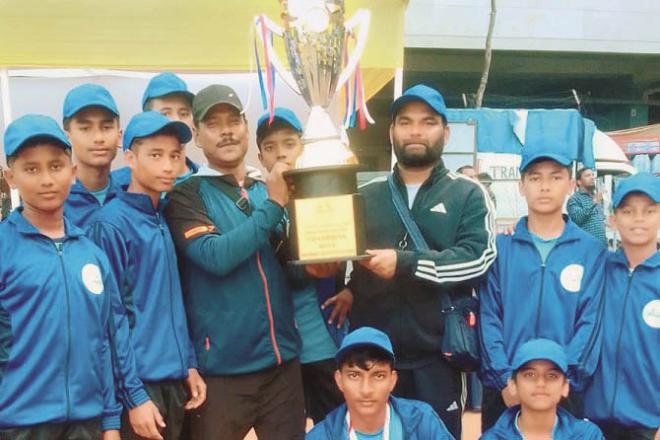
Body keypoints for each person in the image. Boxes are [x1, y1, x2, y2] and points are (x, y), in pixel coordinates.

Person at [345, 84, 496, 439]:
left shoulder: (468, 193)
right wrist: (351, 291)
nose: (415, 130)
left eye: (427, 122)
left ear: (445, 132)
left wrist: (406, 263)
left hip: (438, 357)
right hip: (375, 359)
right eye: (405, 122)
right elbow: (355, 261)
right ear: (391, 131)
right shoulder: (366, 196)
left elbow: (478, 259)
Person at [164, 85, 304, 440]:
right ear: (196, 135)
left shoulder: (266, 186)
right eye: (213, 124)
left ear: (245, 127)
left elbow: (292, 262)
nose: (225, 130)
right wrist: (273, 206)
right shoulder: (185, 195)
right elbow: (215, 256)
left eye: (233, 120)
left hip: (282, 364)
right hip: (222, 371)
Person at [0, 114, 138, 439]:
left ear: (72, 172)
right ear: (11, 177)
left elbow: (104, 343)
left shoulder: (91, 254)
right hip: (19, 424)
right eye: (31, 169)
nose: (47, 179)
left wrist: (109, 422)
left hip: (86, 423)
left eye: (56, 166)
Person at [87, 111, 207, 439]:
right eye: (155, 155)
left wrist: (189, 363)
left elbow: (173, 301)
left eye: (175, 156)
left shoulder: (162, 216)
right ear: (130, 157)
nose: (168, 166)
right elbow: (110, 320)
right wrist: (134, 396)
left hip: (174, 382)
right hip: (140, 388)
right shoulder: (110, 224)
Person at [478, 149, 607, 430]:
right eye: (535, 178)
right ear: (521, 186)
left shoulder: (591, 251)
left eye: (556, 177)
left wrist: (565, 379)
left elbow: (591, 321)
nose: (545, 186)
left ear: (571, 185)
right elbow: (489, 316)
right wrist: (504, 378)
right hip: (506, 391)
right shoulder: (501, 248)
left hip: (565, 390)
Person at [256, 107, 347, 423]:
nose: (280, 153)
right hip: (277, 351)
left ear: (303, 147)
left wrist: (351, 290)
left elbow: (359, 246)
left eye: (289, 143)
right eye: (270, 147)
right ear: (260, 157)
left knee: (334, 423)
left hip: (323, 342)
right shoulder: (256, 201)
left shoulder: (329, 191)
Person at [583, 173, 660, 440]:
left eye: (649, 211)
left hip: (648, 424)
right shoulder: (598, 268)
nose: (638, 218)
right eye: (627, 211)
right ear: (613, 220)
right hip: (593, 420)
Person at [306, 327, 454, 440]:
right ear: (339, 380)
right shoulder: (321, 436)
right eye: (354, 375)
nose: (366, 390)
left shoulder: (421, 422)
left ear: (392, 380)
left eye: (378, 376)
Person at [480, 339, 604, 439]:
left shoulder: (587, 436)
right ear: (512, 385)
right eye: (530, 375)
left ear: (565, 387)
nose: (540, 383)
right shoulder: (492, 438)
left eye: (551, 376)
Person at [113, 72, 199, 187]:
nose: (176, 120)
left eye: (184, 114)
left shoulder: (206, 180)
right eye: (165, 114)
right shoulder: (120, 185)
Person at [62, 83, 125, 228]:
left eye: (106, 127)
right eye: (85, 128)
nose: (98, 137)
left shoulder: (132, 196)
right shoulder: (54, 203)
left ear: (119, 135)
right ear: (67, 136)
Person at [567, 167, 607, 246]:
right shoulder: (574, 199)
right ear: (579, 182)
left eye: (593, 175)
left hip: (601, 247)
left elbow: (600, 220)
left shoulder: (594, 197)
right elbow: (578, 218)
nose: (592, 177)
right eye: (588, 175)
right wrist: (594, 202)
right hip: (585, 247)